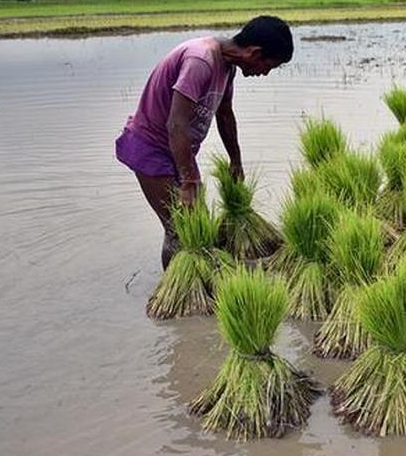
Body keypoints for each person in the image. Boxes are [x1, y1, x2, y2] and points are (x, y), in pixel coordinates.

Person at [114, 15, 294, 268]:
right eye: (269, 66)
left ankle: (197, 290)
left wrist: (236, 160)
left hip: (177, 152)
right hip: (151, 148)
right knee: (181, 230)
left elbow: (225, 113)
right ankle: (176, 294)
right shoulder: (200, 60)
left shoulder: (227, 66)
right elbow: (176, 124)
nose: (264, 73)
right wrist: (189, 180)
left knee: (197, 228)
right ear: (254, 52)